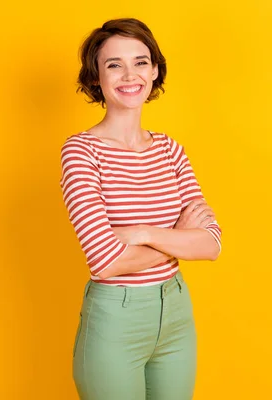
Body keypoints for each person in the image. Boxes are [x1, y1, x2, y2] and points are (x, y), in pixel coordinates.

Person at [59, 18, 222, 400]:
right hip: (116, 319)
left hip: (176, 311)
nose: (129, 74)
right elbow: (105, 262)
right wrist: (180, 235)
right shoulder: (82, 152)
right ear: (96, 77)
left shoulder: (170, 149)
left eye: (141, 61)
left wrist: (144, 233)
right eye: (114, 64)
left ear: (154, 71)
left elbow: (212, 245)